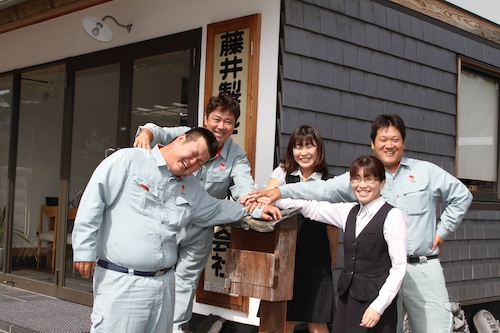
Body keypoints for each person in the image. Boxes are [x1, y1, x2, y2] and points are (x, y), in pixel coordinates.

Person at [243, 114, 473, 333]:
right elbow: (319, 191)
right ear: (373, 144)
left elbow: (462, 196)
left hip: (420, 266)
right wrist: (277, 191)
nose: (389, 145)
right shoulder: (362, 175)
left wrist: (442, 232)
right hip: (379, 274)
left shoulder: (425, 171)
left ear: (403, 142)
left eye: (395, 139)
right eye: (383, 140)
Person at [72, 127, 281, 333]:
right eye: (194, 154)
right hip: (124, 281)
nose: (192, 163)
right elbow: (93, 203)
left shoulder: (190, 188)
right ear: (181, 139)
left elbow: (217, 207)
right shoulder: (128, 161)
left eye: (200, 163)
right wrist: (83, 249)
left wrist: (256, 210)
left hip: (164, 284)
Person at [133, 93, 255, 333]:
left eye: (228, 121)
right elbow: (156, 131)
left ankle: (175, 328)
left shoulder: (236, 156)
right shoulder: (188, 136)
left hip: (199, 229)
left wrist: (256, 204)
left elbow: (244, 191)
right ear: (206, 118)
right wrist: (146, 132)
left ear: (234, 125)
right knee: (154, 273)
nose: (221, 126)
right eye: (217, 119)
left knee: (185, 282)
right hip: (166, 223)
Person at [277, 155, 407, 333]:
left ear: (382, 183)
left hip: (375, 301)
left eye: (369, 179)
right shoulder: (348, 211)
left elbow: (399, 267)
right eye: (356, 179)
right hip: (348, 298)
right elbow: (310, 207)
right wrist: (270, 198)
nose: (362, 185)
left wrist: (378, 306)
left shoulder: (392, 216)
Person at [259, 125, 338, 333]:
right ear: (291, 150)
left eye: (309, 146)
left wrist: (331, 257)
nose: (303, 152)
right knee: (283, 319)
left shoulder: (329, 181)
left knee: (317, 321)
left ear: (318, 149)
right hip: (283, 255)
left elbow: (332, 225)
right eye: (298, 147)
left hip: (316, 256)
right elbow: (267, 197)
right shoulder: (283, 172)